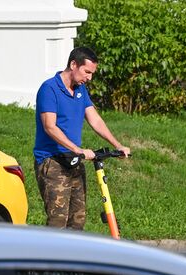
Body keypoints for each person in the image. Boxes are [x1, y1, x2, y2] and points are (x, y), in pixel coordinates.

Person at [33, 46, 130, 230]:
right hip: (52, 161)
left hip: (74, 160)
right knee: (57, 221)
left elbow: (95, 120)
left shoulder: (80, 90)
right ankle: (47, 257)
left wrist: (118, 145)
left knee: (78, 220)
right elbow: (50, 127)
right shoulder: (49, 89)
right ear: (73, 64)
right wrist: (77, 149)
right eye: (87, 72)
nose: (89, 78)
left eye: (92, 73)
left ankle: (70, 258)